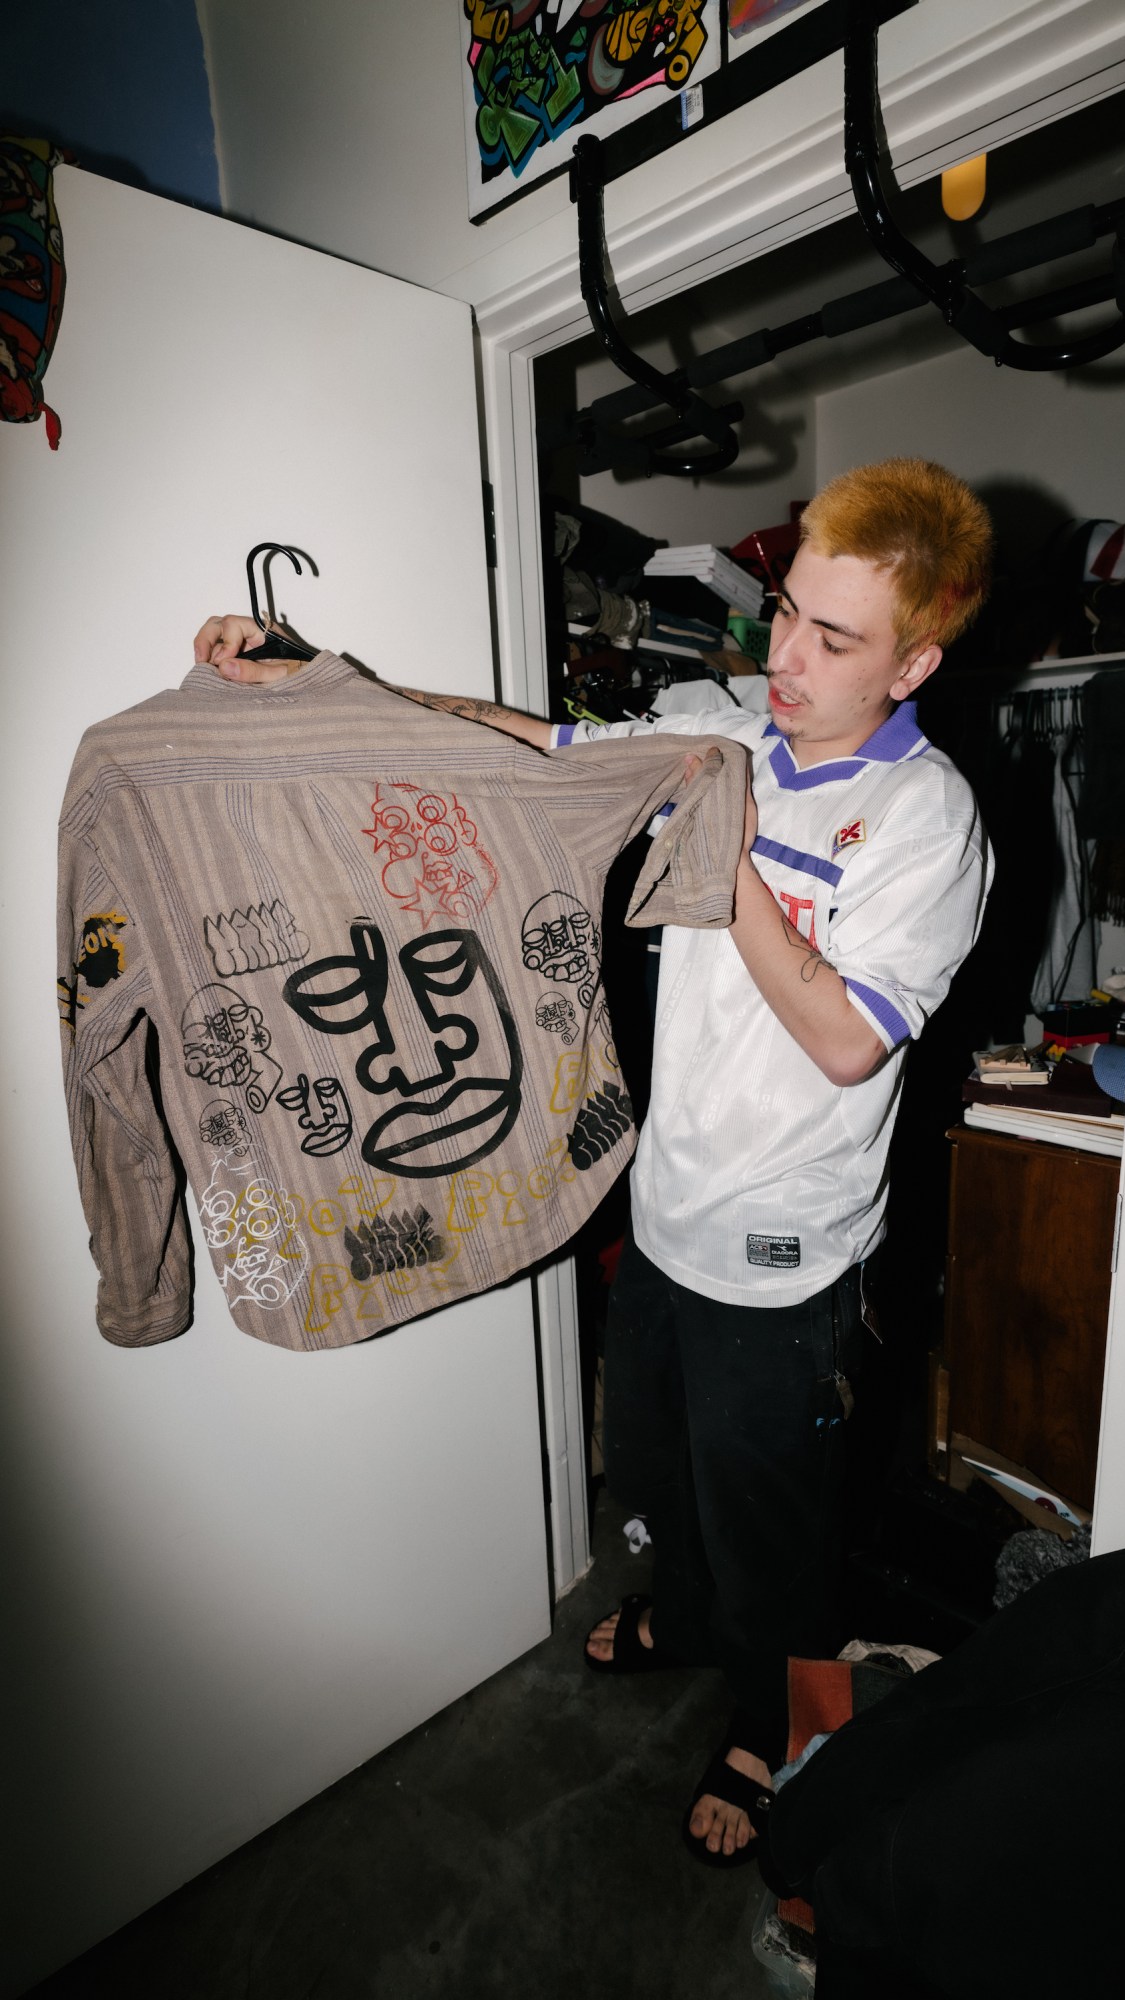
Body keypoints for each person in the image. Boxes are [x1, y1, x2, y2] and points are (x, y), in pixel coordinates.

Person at [194, 456, 994, 1867]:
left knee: (778, 1532)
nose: (782, 661)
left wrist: (719, 837)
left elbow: (845, 1041)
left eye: (831, 637)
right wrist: (327, 676)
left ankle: (772, 1725)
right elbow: (532, 745)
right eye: (784, 614)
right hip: (666, 1208)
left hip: (785, 1255)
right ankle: (685, 1620)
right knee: (661, 1479)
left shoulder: (927, 822)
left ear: (916, 658)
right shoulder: (717, 721)